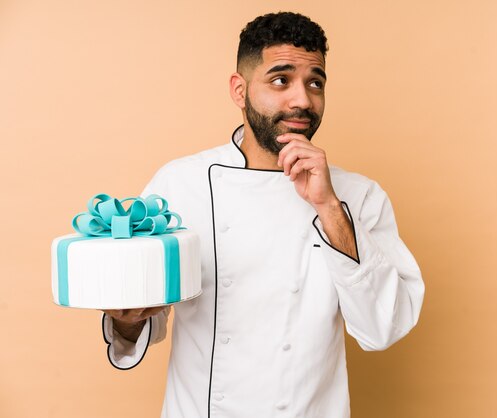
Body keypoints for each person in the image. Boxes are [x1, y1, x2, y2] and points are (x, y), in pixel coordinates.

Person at [102, 11, 424, 418]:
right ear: (239, 90)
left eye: (315, 83)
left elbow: (384, 327)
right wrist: (127, 320)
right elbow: (143, 319)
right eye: (280, 80)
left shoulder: (359, 197)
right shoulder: (181, 184)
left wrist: (328, 206)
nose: (302, 100)